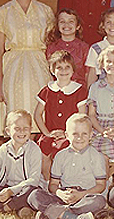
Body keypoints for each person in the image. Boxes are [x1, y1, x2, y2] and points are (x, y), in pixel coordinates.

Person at [0, 0, 54, 134]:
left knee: (40, 118)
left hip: (40, 70)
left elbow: (52, 47)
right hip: (13, 72)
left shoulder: (45, 11)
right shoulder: (3, 12)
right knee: (16, 120)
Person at [28, 113, 107, 219]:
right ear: (67, 135)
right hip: (63, 196)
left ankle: (53, 213)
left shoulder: (96, 156)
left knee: (99, 201)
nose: (79, 138)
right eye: (75, 134)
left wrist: (81, 194)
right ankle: (74, 217)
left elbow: (101, 185)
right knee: (34, 196)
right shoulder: (60, 156)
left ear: (91, 135)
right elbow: (53, 184)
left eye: (84, 134)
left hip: (85, 196)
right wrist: (60, 193)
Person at [35, 51, 87, 180]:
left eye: (67, 67)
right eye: (59, 67)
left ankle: (67, 181)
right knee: (43, 148)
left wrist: (67, 133)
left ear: (73, 70)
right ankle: (47, 182)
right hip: (51, 133)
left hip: (70, 134)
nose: (63, 71)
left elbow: (82, 117)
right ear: (52, 71)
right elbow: (37, 115)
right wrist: (47, 133)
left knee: (67, 150)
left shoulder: (79, 91)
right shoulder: (47, 90)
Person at [46, 8, 90, 86]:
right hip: (58, 88)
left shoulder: (84, 48)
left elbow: (88, 73)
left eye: (71, 21)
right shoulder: (52, 47)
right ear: (57, 25)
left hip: (78, 88)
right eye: (62, 22)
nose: (66, 25)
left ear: (78, 26)